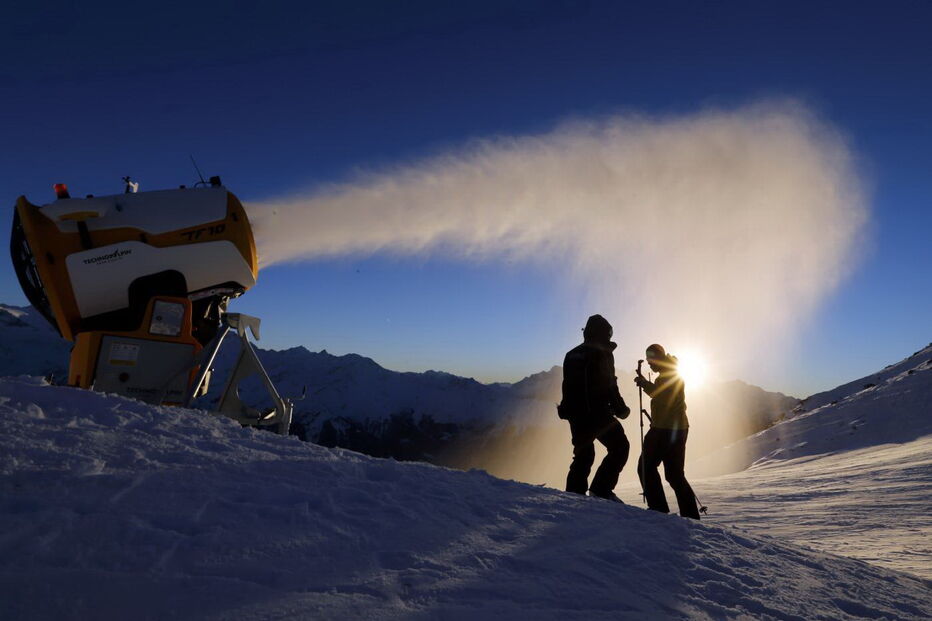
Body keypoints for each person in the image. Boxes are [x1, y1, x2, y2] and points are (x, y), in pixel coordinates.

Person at [558, 314, 631, 501]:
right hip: (597, 413)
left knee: (583, 456)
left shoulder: (572, 354)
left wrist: (566, 409)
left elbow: (567, 385)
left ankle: (573, 497)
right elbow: (609, 384)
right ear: (603, 333)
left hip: (575, 414)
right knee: (620, 446)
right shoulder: (602, 353)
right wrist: (621, 409)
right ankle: (601, 489)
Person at [634, 343, 701, 519]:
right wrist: (646, 383)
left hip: (663, 430)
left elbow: (662, 395)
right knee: (674, 474)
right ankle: (690, 516)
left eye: (651, 359)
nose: (649, 363)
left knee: (646, 466)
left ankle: (658, 508)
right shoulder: (672, 372)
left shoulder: (669, 375)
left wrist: (644, 384)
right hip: (678, 429)